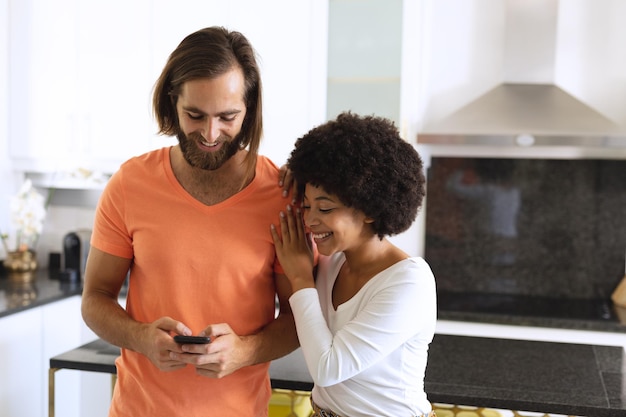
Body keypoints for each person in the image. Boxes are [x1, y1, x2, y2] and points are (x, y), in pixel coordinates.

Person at [81, 26, 299, 416]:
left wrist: (246, 349)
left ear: (249, 111)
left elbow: (302, 317)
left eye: (227, 116)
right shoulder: (130, 184)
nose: (211, 134)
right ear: (172, 103)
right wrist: (141, 337)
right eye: (194, 115)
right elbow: (94, 299)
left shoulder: (280, 197)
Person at [270, 112, 437, 417]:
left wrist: (300, 278)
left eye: (324, 207)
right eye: (307, 205)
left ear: (370, 209)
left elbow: (328, 368)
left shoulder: (409, 282)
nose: (309, 220)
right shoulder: (332, 262)